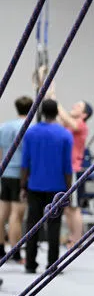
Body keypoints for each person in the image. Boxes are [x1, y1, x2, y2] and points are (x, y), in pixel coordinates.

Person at [21, 99, 73, 274]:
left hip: (34, 186)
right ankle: (52, 265)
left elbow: (25, 163)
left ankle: (30, 264)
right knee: (54, 226)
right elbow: (67, 167)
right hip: (57, 188)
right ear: (57, 113)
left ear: (41, 112)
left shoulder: (31, 133)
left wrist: (23, 186)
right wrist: (69, 190)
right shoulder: (65, 135)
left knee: (32, 225)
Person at [0, 96, 33, 263]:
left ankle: (0, 249)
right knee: (16, 215)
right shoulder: (29, 127)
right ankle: (15, 253)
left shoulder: (4, 126)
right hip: (20, 175)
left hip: (4, 173)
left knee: (2, 212)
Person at [56, 99, 92, 249]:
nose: (73, 105)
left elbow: (62, 116)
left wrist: (55, 100)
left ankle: (77, 240)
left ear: (84, 115)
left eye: (78, 106)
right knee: (66, 207)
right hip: (65, 170)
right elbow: (59, 118)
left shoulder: (80, 126)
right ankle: (72, 237)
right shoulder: (69, 126)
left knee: (74, 207)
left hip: (74, 170)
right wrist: (49, 94)